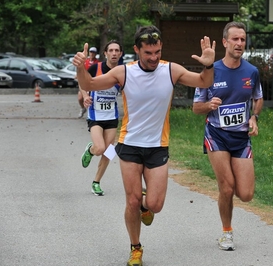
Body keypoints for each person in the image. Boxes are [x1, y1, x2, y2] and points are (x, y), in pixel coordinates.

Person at [73, 25, 215, 266]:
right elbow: (91, 84)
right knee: (132, 201)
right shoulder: (123, 73)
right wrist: (80, 68)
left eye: (157, 51)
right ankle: (135, 248)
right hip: (129, 145)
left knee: (155, 205)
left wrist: (209, 64)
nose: (154, 57)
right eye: (148, 52)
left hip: (158, 146)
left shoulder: (171, 70)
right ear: (137, 50)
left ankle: (146, 207)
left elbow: (203, 81)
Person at [192, 21, 263, 251]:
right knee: (227, 188)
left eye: (243, 39)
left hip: (241, 138)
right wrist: (209, 106)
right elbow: (196, 107)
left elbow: (258, 98)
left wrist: (254, 117)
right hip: (217, 135)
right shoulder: (211, 71)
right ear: (225, 42)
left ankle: (227, 223)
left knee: (246, 194)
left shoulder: (251, 71)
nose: (239, 43)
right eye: (235, 39)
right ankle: (226, 232)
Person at [80, 40, 123, 196]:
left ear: (120, 53)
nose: (113, 53)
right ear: (105, 53)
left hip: (112, 116)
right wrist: (85, 96)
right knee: (99, 149)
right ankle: (91, 150)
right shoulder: (95, 68)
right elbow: (82, 81)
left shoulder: (123, 72)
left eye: (116, 50)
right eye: (110, 50)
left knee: (109, 151)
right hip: (95, 114)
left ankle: (96, 182)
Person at [78, 46, 99, 118]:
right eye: (91, 52)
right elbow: (81, 70)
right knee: (80, 98)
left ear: (96, 54)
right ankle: (83, 108)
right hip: (84, 81)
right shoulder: (85, 61)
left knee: (90, 98)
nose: (92, 54)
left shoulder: (97, 62)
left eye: (94, 52)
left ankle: (91, 113)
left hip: (92, 82)